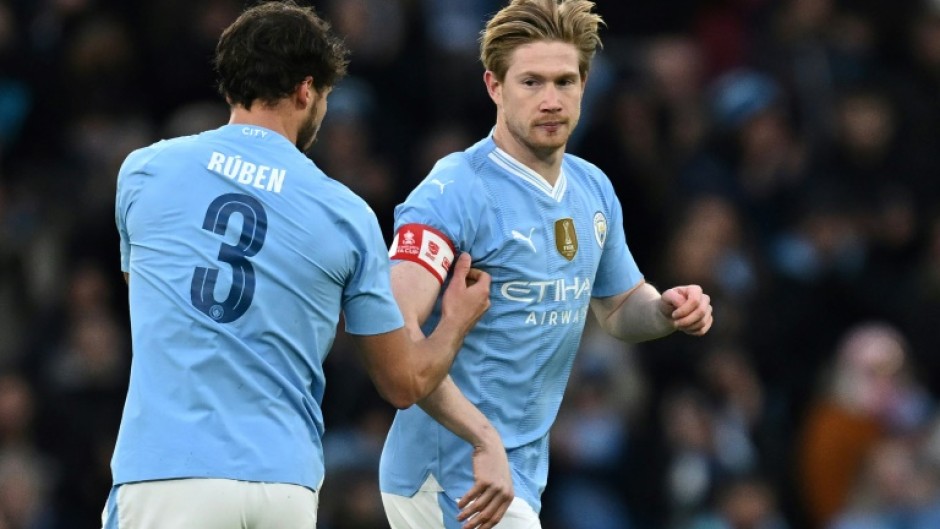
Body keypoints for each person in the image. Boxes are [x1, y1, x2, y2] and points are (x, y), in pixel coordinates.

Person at [101, 2, 492, 528]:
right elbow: (402, 382)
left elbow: (146, 293)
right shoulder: (345, 213)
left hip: (168, 473)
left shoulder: (145, 171)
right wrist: (456, 321)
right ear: (307, 91)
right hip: (282, 485)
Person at [378, 1, 714, 528]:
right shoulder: (454, 191)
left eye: (565, 81)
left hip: (518, 471)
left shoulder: (592, 188)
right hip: (450, 471)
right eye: (531, 82)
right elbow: (394, 333)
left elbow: (621, 307)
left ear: (584, 85)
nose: (551, 100)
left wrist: (667, 310)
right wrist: (482, 437)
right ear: (494, 86)